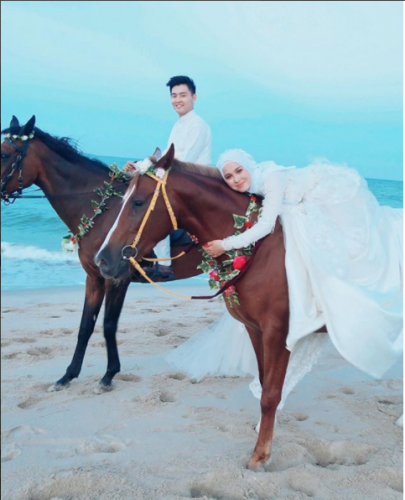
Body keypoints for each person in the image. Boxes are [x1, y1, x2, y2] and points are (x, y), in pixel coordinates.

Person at [167, 149, 403, 415]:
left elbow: (266, 224)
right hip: (286, 208)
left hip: (315, 198)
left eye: (239, 171)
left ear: (248, 166)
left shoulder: (271, 178)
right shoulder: (246, 189)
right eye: (229, 176)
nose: (235, 179)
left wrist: (226, 244)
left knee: (323, 242)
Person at [124, 76, 212, 280]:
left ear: (194, 97)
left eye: (183, 95)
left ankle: (164, 266)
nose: (177, 100)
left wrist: (151, 168)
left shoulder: (197, 125)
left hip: (192, 183)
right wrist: (138, 166)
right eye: (174, 96)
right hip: (179, 179)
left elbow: (183, 161)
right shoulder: (179, 125)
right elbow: (166, 155)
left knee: (155, 208)